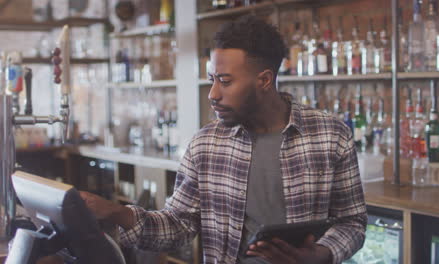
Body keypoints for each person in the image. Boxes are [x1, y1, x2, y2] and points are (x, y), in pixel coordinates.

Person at [81, 15, 367, 264]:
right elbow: (177, 225)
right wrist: (117, 213)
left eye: (225, 81)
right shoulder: (206, 144)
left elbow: (352, 222)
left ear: (265, 80)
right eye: (211, 79)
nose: (213, 94)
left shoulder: (330, 135)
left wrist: (323, 253)